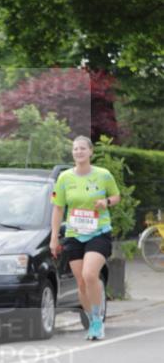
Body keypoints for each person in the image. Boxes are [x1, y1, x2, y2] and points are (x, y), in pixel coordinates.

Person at [49, 135, 121, 341]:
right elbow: (58, 208)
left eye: (82, 148)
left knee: (90, 275)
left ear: (91, 152)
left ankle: (98, 319)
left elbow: (116, 196)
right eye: (75, 149)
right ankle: (92, 319)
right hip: (74, 234)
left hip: (98, 232)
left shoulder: (103, 175)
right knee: (81, 283)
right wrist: (54, 238)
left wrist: (106, 201)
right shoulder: (64, 178)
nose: (78, 152)